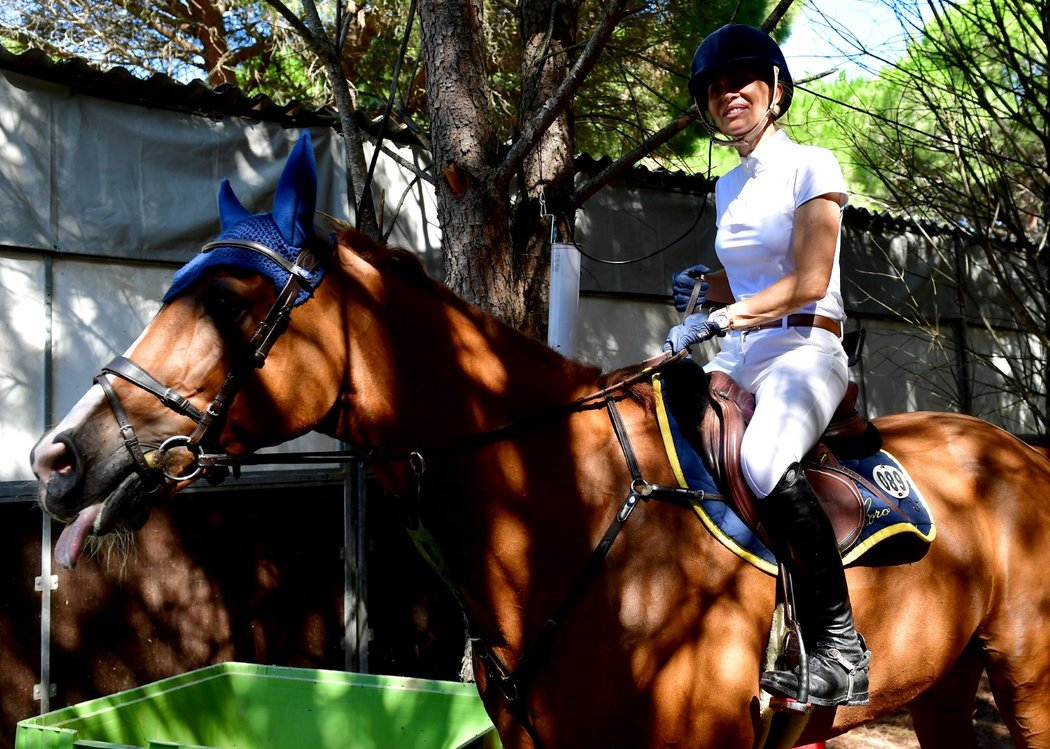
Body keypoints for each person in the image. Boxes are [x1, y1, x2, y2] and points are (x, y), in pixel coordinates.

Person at [663, 23, 871, 708]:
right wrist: (706, 285)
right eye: (716, 89)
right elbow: (750, 274)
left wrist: (723, 315)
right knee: (663, 423)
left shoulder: (815, 164)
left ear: (776, 89)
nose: (729, 96)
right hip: (745, 349)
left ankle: (841, 648)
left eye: (742, 82)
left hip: (807, 349)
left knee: (758, 457)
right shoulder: (727, 187)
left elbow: (809, 277)